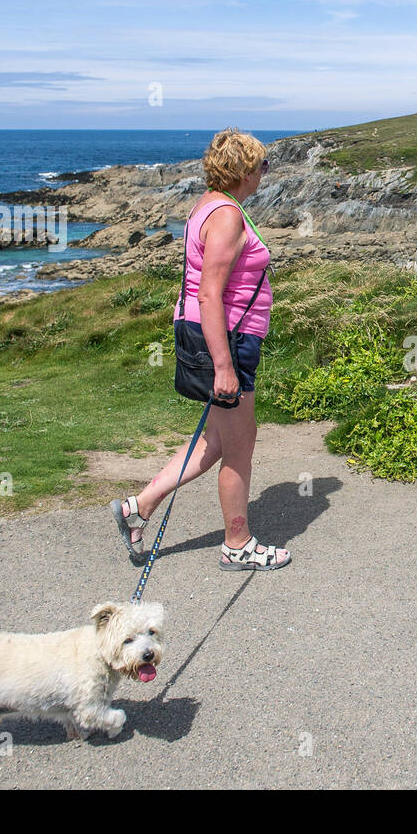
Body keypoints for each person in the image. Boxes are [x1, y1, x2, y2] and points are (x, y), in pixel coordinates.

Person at [112, 128, 292, 570]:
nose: (265, 173)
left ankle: (140, 505)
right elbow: (211, 294)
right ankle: (237, 543)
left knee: (216, 439)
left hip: (216, 334)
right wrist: (224, 365)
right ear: (244, 170)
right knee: (239, 444)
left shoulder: (208, 206)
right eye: (262, 165)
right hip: (227, 339)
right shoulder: (228, 216)